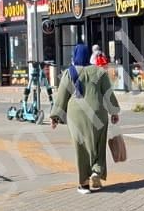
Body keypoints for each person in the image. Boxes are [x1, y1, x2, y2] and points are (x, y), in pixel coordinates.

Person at [51, 45, 121, 192]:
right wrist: (114, 112)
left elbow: (62, 96)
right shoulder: (99, 71)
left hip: (76, 116)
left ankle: (84, 184)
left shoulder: (68, 72)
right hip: (98, 113)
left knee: (81, 148)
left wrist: (56, 116)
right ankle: (97, 171)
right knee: (98, 145)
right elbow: (108, 94)